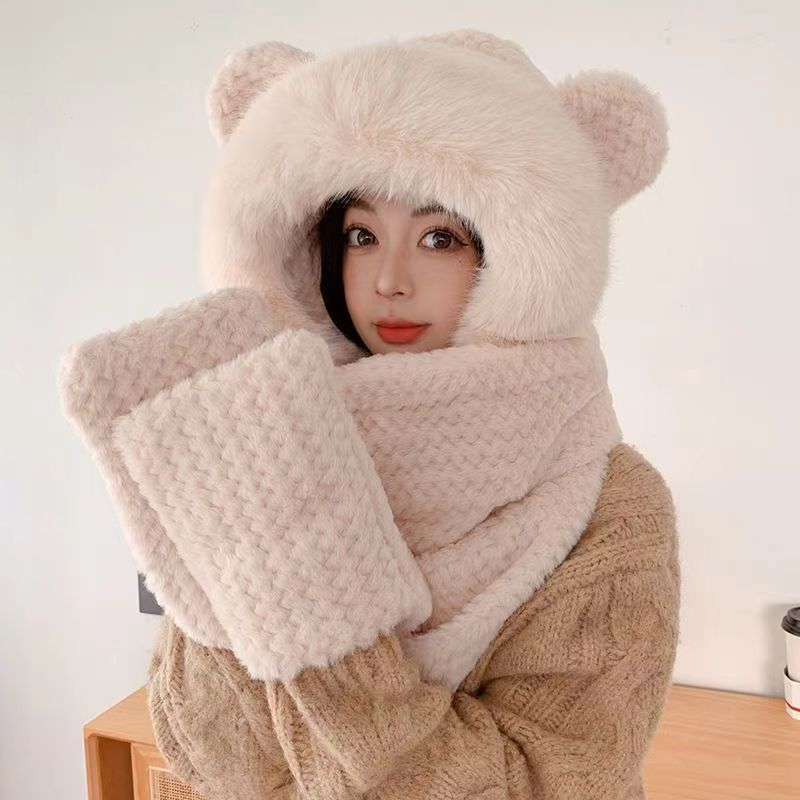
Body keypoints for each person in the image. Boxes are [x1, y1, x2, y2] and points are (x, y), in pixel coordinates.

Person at [58, 28, 681, 800]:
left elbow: (549, 785)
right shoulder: (250, 440)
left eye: (439, 237)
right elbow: (205, 753)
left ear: (518, 255)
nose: (389, 280)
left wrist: (318, 615)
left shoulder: (612, 509)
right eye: (361, 235)